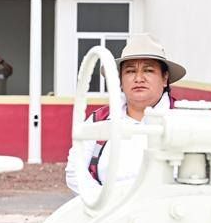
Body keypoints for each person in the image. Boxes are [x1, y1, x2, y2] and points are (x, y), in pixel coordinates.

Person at [66, 33, 185, 198]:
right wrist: (103, 201)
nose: (138, 78)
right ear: (120, 80)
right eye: (130, 71)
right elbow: (75, 170)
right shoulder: (99, 119)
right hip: (108, 213)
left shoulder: (183, 119)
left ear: (165, 79)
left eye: (148, 70)